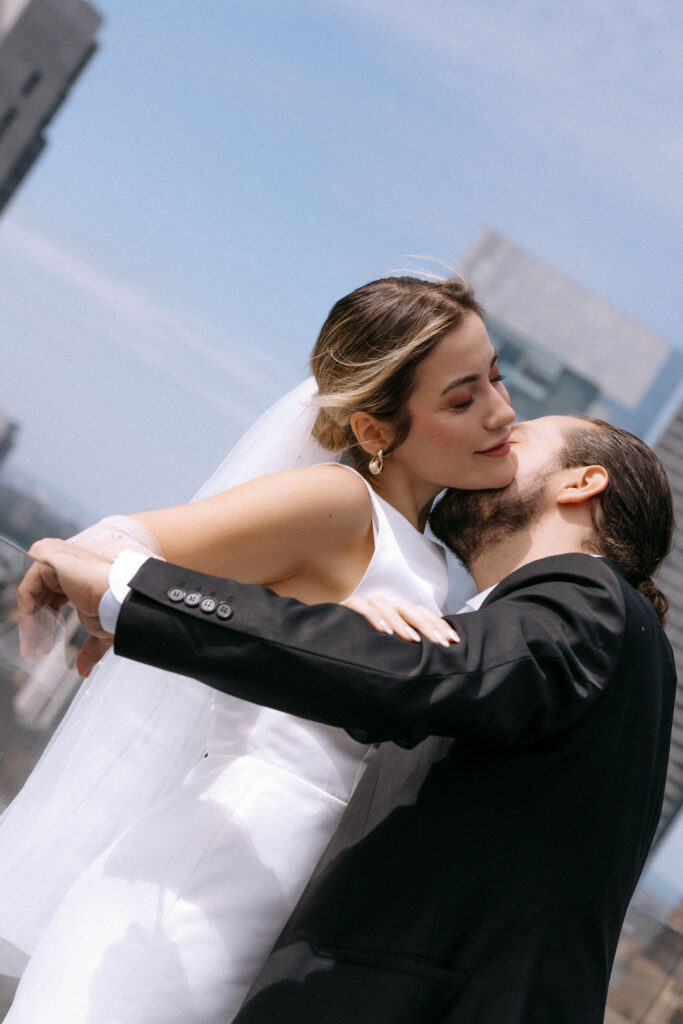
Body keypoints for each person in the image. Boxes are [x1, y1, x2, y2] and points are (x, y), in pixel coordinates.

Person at [18, 413, 677, 1023]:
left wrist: (129, 595)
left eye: (514, 441)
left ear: (581, 483)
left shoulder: (591, 599)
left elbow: (412, 680)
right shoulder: (592, 642)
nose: (485, 449)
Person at [1, 274, 515, 1023]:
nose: (501, 413)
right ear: (374, 430)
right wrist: (76, 574)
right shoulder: (338, 503)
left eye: (496, 377)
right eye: (462, 399)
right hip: (204, 879)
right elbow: (122, 542)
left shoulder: (425, 559)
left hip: (277, 887)